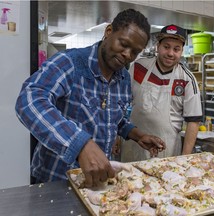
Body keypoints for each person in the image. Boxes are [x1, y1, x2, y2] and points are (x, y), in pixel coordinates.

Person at [15, 9, 166, 187]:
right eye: (123, 44)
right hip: (56, 181)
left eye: (135, 52)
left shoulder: (123, 77)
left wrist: (137, 135)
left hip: (97, 182)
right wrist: (79, 144)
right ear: (109, 32)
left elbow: (114, 119)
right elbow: (29, 100)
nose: (127, 55)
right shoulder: (70, 63)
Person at [121, 24, 202, 162]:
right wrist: (118, 136)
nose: (170, 53)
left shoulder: (187, 79)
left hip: (165, 150)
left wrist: (184, 159)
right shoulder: (139, 67)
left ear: (182, 51)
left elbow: (193, 122)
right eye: (166, 47)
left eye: (176, 49)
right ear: (158, 46)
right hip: (133, 143)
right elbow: (122, 103)